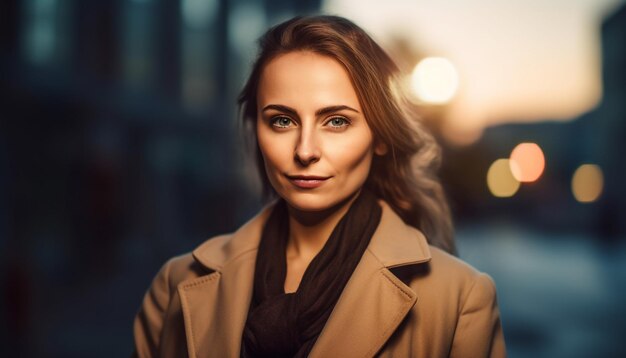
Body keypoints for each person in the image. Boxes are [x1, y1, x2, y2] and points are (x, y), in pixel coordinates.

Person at [133, 15, 506, 358]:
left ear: (380, 136)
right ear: (256, 131)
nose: (305, 150)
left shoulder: (459, 299)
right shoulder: (176, 285)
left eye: (336, 122)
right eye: (281, 120)